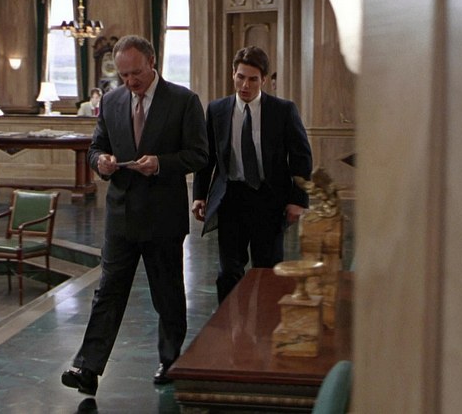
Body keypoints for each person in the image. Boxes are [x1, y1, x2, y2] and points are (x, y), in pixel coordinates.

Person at [61, 35, 208, 395]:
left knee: (167, 295)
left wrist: (160, 163)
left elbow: (199, 155)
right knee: (108, 292)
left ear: (152, 62)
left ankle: (169, 361)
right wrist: (101, 162)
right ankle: (87, 368)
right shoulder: (111, 101)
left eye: (136, 73)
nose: (130, 81)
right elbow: (95, 148)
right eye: (124, 75)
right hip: (121, 215)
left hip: (163, 217)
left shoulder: (183, 101)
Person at [192, 46, 313, 304]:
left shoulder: (282, 110)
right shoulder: (217, 110)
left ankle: (266, 323)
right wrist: (199, 195)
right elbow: (207, 157)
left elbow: (301, 157)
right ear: (233, 74)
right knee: (228, 272)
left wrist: (298, 200)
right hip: (231, 198)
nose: (245, 85)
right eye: (240, 77)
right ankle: (228, 323)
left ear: (264, 80)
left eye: (252, 79)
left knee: (268, 270)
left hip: (269, 199)